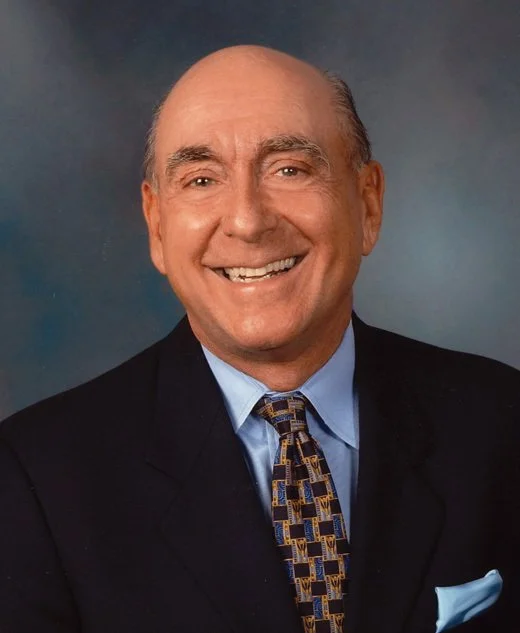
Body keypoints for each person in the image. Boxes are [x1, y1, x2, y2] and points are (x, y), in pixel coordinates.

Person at [0, 45, 518, 633]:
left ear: (368, 203)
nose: (247, 221)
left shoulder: (503, 425)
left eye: (289, 170)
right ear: (157, 225)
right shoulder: (34, 479)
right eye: (201, 179)